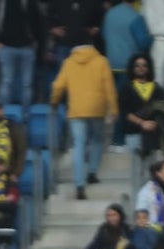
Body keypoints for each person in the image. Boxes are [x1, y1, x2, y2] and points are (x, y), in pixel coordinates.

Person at [50, 38, 118, 200]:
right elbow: (109, 86)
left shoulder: (69, 62)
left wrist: (54, 101)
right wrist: (114, 108)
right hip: (97, 108)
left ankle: (79, 183)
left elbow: (58, 85)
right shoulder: (101, 61)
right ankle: (92, 172)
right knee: (97, 139)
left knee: (79, 145)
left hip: (76, 109)